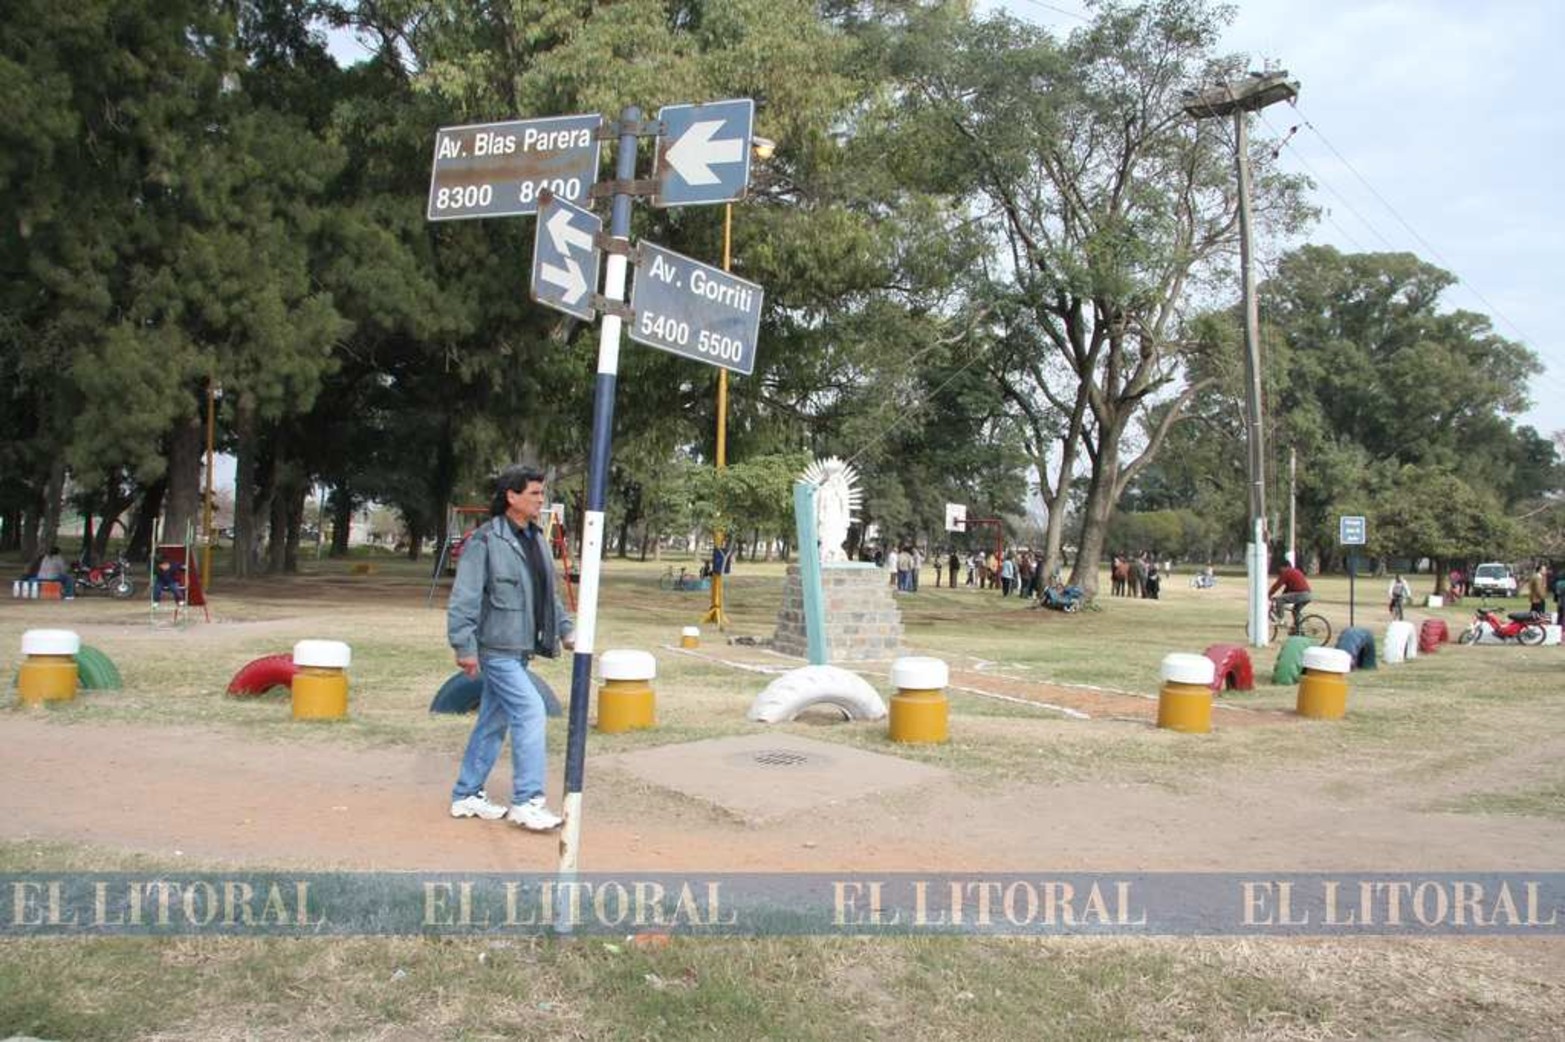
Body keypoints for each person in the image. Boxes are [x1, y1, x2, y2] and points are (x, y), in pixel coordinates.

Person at [447, 465, 575, 832]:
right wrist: (464, 646)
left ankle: (466, 793)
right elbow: (464, 599)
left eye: (541, 492)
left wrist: (566, 630)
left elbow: (548, 594)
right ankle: (528, 800)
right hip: (495, 649)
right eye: (534, 493)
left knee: (493, 720)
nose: (541, 499)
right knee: (531, 711)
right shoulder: (485, 541)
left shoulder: (536, 539)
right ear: (512, 497)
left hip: (520, 649)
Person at [1267, 553, 1313, 630]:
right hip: (1308, 595)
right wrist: (1282, 595)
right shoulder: (1294, 571)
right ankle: (1298, 630)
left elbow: (1277, 585)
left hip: (1301, 594)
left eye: (1280, 568)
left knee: (1280, 599)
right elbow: (1287, 589)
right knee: (1295, 611)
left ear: (1285, 567)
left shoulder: (1286, 572)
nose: (1280, 570)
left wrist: (1269, 594)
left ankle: (1280, 620)